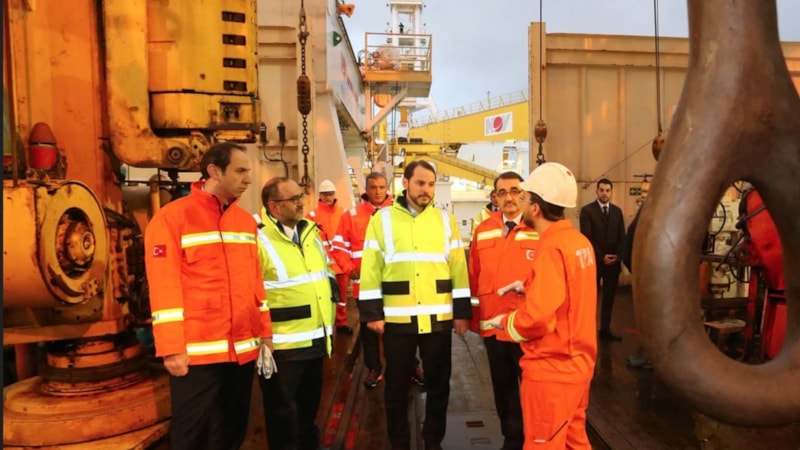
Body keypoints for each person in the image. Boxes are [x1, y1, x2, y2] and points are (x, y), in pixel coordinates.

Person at [144, 142, 271, 450]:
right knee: (192, 436)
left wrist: (265, 334)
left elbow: (256, 284)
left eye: (248, 171)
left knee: (231, 432)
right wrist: (172, 349)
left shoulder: (245, 223)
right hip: (196, 354)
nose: (248, 179)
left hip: (242, 350)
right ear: (214, 171)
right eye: (240, 171)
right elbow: (163, 286)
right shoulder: (172, 218)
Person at [359, 160, 471, 450]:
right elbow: (370, 267)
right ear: (405, 183)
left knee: (439, 384)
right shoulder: (382, 219)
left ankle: (433, 440)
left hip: (438, 317)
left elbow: (459, 268)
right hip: (399, 319)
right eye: (420, 183)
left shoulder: (445, 220)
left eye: (431, 184)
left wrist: (461, 313)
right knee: (396, 386)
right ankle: (400, 442)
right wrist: (372, 313)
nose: (426, 190)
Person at [486, 162, 597, 450]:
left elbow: (536, 319)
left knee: (542, 443)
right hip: (578, 365)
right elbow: (571, 294)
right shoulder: (578, 243)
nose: (518, 202)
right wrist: (530, 287)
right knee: (573, 442)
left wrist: (505, 323)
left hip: (551, 371)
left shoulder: (551, 248)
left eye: (523, 197)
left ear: (535, 208)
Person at [255, 177, 335, 450]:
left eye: (301, 196)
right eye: (294, 199)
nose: (302, 203)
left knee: (309, 405)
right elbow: (252, 292)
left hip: (315, 338)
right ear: (274, 206)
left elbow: (323, 272)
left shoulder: (310, 232)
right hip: (282, 345)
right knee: (282, 412)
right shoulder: (258, 239)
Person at [468, 171, 538, 450]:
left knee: (533, 388)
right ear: (495, 198)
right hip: (493, 327)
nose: (509, 197)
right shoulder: (483, 230)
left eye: (515, 191)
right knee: (503, 387)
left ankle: (535, 439)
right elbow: (474, 276)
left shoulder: (538, 228)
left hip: (527, 326)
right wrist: (474, 318)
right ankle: (512, 438)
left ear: (524, 195)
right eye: (502, 192)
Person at [331, 172, 393, 388]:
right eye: (373, 187)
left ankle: (408, 367)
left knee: (399, 329)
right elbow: (338, 247)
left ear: (387, 189)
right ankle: (374, 368)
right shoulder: (351, 216)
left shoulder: (398, 214)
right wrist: (350, 269)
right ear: (366, 190)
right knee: (368, 330)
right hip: (364, 287)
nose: (378, 192)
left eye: (382, 187)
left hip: (394, 285)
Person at [579, 178, 626, 341]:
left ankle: (605, 330)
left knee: (609, 299)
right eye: (602, 190)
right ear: (597, 191)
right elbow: (587, 238)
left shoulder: (617, 212)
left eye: (607, 190)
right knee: (591, 299)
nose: (604, 193)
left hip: (613, 263)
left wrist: (618, 255)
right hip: (595, 262)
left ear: (611, 192)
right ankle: (588, 331)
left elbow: (622, 236)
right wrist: (601, 257)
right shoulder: (587, 211)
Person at [307, 178, 350, 334]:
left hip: (340, 261)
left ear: (334, 194)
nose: (328, 197)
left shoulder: (343, 213)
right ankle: (326, 325)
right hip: (323, 263)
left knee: (342, 296)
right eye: (325, 194)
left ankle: (341, 323)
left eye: (330, 194)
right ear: (320, 195)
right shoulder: (312, 215)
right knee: (324, 295)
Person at [622, 205, 652, 369]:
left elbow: (627, 250)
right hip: (655, 275)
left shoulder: (646, 216)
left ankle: (648, 355)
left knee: (649, 318)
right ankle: (649, 354)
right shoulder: (657, 217)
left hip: (648, 275)